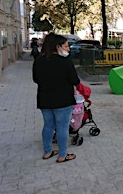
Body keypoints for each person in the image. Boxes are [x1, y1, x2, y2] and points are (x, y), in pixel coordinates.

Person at [32, 33, 80, 163]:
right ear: (57, 47)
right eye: (66, 46)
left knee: (48, 126)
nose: (68, 49)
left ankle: (48, 152)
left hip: (45, 100)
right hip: (63, 101)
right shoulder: (65, 62)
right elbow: (75, 80)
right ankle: (62, 155)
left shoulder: (39, 61)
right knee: (62, 128)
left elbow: (35, 79)